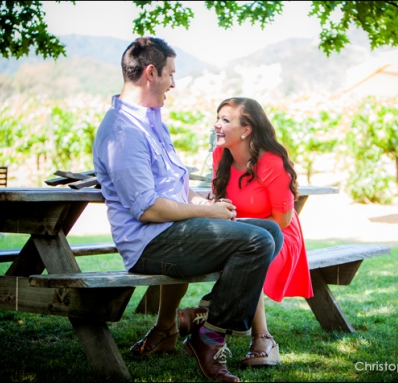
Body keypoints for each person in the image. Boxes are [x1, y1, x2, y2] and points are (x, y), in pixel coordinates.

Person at [92, 37, 283, 382]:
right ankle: (208, 336)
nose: (173, 83)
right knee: (255, 242)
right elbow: (147, 208)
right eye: (170, 74)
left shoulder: (152, 124)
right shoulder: (122, 131)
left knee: (271, 231)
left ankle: (205, 314)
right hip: (150, 244)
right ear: (151, 73)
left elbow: (172, 189)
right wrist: (207, 214)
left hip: (173, 232)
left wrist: (203, 203)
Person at [178, 97, 313, 368]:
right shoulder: (221, 155)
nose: (216, 124)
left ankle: (236, 325)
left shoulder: (271, 162)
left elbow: (282, 221)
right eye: (217, 117)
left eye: (225, 120)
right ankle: (214, 319)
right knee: (243, 246)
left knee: (256, 248)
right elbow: (221, 199)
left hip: (280, 234)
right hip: (238, 230)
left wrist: (243, 229)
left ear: (246, 129)